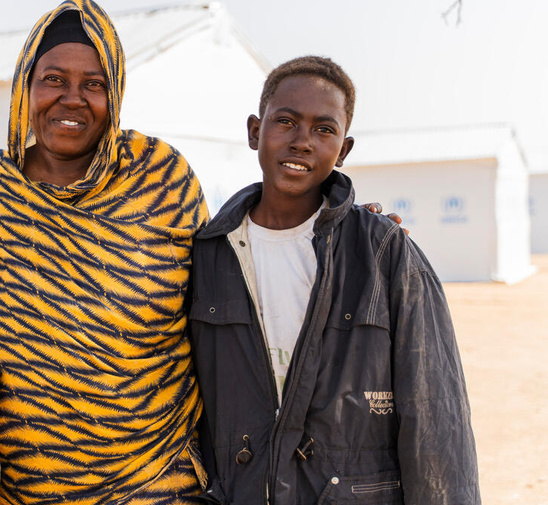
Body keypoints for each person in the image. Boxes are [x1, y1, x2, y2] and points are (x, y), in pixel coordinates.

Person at [0, 3, 399, 504]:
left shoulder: (162, 179)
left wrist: (332, 227)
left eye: (93, 83)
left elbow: (238, 277)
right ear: (24, 87)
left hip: (157, 486)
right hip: (25, 492)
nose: (72, 98)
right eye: (53, 78)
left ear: (114, 92)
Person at [187, 56, 480, 504]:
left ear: (343, 150)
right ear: (254, 131)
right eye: (285, 122)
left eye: (324, 129)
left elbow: (436, 422)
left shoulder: (384, 251)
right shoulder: (207, 255)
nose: (303, 142)